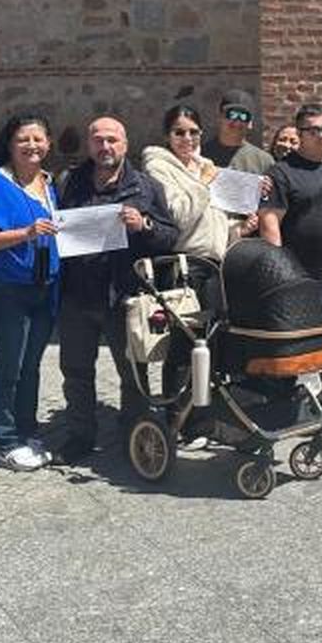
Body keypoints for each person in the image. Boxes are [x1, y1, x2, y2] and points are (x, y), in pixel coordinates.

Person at [54, 117, 180, 464]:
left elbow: (170, 236)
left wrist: (145, 225)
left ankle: (133, 434)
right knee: (76, 372)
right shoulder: (69, 182)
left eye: (112, 140)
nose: (105, 146)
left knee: (133, 373)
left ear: (125, 144)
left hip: (124, 295)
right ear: (89, 145)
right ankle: (80, 435)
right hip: (78, 294)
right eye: (98, 140)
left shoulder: (146, 187)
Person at [0, 113, 62, 472]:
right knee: (9, 366)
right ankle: (5, 440)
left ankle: (27, 431)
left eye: (38, 139)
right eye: (23, 139)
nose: (31, 146)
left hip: (45, 287)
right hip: (6, 289)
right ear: (9, 144)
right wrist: (26, 233)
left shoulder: (48, 183)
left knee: (31, 366)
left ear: (49, 144)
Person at [259, 104, 322, 425]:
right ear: (300, 134)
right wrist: (280, 273)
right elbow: (269, 221)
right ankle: (298, 404)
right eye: (314, 130)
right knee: (301, 346)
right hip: (301, 279)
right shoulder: (282, 172)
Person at [141, 104, 230, 439]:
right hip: (184, 266)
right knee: (183, 345)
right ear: (168, 136)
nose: (187, 138)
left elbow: (212, 220)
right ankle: (177, 421)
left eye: (194, 132)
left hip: (213, 265)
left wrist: (239, 227)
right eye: (179, 132)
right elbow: (178, 216)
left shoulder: (205, 166)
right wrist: (203, 184)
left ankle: (202, 417)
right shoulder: (158, 167)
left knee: (210, 345)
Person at [202, 89, 274, 243]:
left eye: (243, 116)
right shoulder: (200, 156)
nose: (237, 122)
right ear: (220, 117)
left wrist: (266, 194)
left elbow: (271, 209)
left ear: (250, 123)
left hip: (248, 241)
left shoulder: (264, 161)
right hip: (207, 239)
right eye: (231, 114)